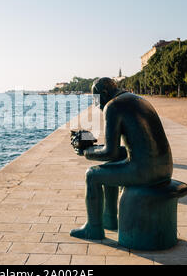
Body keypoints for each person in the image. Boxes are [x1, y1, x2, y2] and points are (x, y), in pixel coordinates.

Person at [70, 77, 173, 240]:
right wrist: (96, 148)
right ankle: (109, 219)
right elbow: (124, 150)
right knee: (113, 163)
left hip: (146, 172)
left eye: (96, 99)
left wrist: (86, 152)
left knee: (92, 175)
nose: (97, 104)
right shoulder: (137, 99)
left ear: (103, 93)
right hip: (164, 168)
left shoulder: (113, 106)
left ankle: (93, 228)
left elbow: (109, 152)